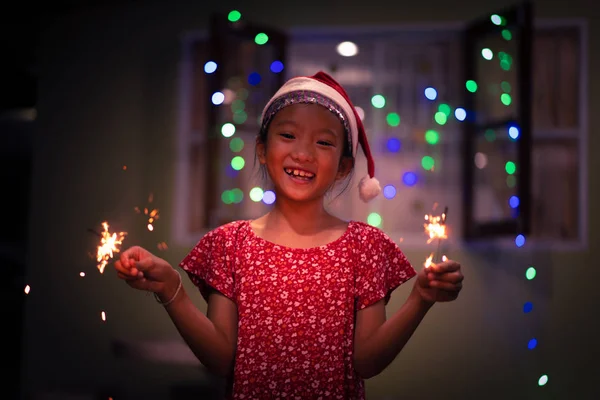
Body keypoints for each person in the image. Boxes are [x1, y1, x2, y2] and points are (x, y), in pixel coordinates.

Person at [114, 71, 464, 399]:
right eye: (287, 135)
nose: (302, 153)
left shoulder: (365, 247)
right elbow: (221, 360)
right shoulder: (229, 245)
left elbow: (367, 363)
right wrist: (170, 287)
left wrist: (420, 299)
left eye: (324, 142)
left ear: (343, 167)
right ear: (262, 150)